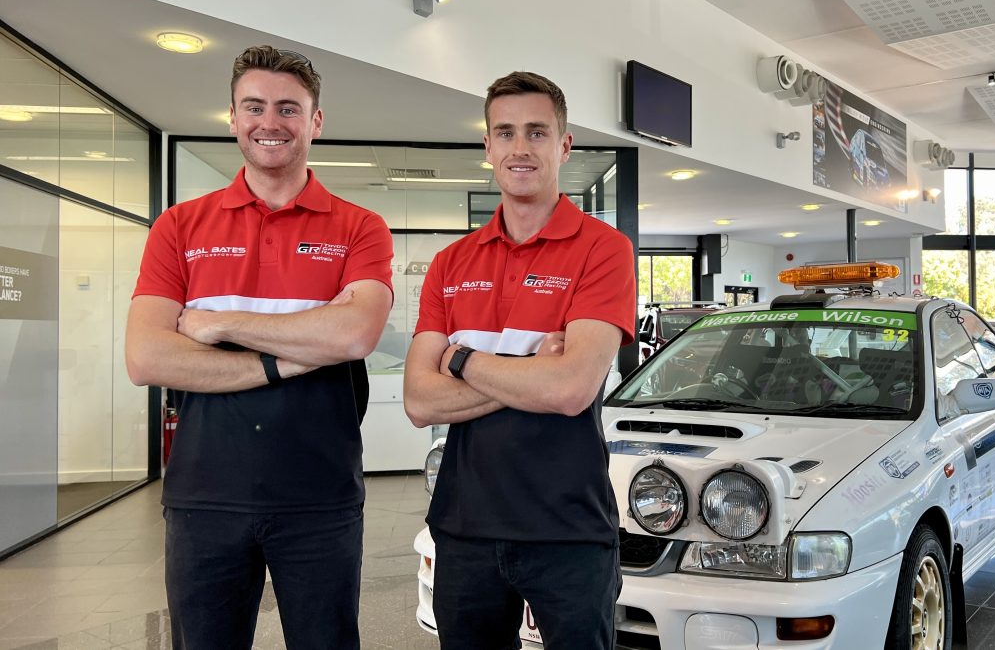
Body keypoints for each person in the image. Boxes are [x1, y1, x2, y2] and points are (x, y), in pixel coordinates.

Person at [125, 45, 393, 649]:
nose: (269, 122)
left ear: (315, 121)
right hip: (203, 496)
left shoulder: (358, 226)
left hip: (320, 495)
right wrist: (287, 358)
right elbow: (147, 357)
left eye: (288, 109)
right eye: (255, 106)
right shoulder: (180, 226)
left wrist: (219, 324)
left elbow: (354, 334)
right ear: (233, 117)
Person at [404, 71, 635, 650]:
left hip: (569, 527)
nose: (520, 147)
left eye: (537, 132)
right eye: (504, 133)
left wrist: (460, 360)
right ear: (488, 146)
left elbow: (570, 390)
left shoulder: (603, 249)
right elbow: (417, 401)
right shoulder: (451, 262)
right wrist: (532, 366)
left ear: (564, 144)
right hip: (464, 525)